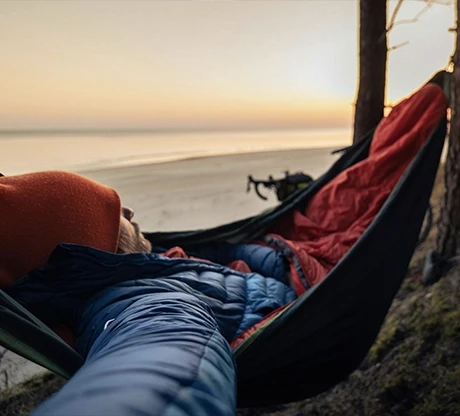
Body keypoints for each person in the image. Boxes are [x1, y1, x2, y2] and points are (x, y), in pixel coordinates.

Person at [1, 74, 449, 416]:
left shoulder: (144, 267)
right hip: (305, 285)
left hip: (274, 256)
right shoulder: (145, 307)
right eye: (117, 213)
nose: (133, 214)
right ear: (94, 246)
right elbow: (163, 376)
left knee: (365, 176)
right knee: (369, 186)